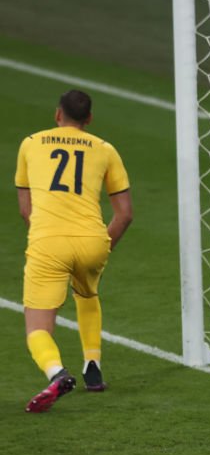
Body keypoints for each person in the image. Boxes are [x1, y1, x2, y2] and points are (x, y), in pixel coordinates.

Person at [16, 90, 134, 413]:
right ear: (89, 119)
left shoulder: (30, 143)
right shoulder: (105, 149)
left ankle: (57, 373)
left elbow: (26, 211)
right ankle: (92, 367)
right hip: (92, 241)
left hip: (48, 242)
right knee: (86, 292)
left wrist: (50, 244)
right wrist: (102, 246)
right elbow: (124, 215)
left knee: (37, 327)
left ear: (57, 115)